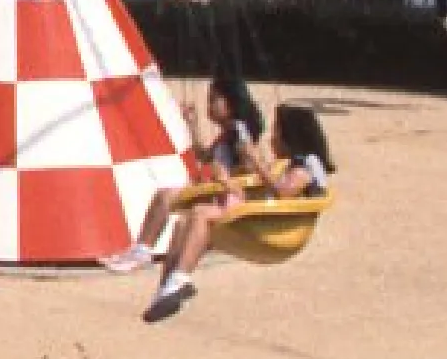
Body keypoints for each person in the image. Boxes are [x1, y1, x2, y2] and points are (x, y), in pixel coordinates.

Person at [136, 104, 336, 323]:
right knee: (183, 223)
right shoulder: (292, 164)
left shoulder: (306, 164)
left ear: (291, 136)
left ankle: (180, 278)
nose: (272, 138)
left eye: (276, 132)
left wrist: (255, 163)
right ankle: (166, 289)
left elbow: (284, 192)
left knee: (201, 213)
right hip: (267, 220)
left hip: (277, 229)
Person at [101, 75, 270, 274]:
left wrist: (227, 177)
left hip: (226, 196)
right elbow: (206, 156)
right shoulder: (227, 133)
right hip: (217, 191)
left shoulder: (238, 131)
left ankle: (143, 251)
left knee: (166, 198)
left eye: (214, 99)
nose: (209, 105)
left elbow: (250, 161)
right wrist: (192, 125)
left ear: (231, 103)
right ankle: (142, 250)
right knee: (164, 197)